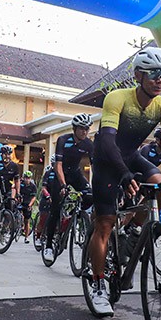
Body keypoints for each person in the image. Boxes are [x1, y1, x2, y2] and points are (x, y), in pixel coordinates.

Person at [86, 46, 161, 316]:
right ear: (139, 75)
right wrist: (123, 173)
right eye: (154, 74)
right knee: (104, 224)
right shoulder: (118, 98)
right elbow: (107, 142)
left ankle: (133, 230)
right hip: (106, 160)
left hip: (131, 156)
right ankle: (98, 285)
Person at [43, 113, 94, 264]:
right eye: (82, 128)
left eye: (87, 129)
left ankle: (72, 216)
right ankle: (49, 246)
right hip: (60, 173)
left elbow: (95, 166)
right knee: (55, 208)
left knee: (90, 195)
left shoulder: (88, 144)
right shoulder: (63, 140)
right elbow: (58, 165)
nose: (84, 131)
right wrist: (63, 184)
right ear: (74, 128)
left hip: (75, 174)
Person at [34, 156, 56, 248]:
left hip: (57, 198)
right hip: (46, 198)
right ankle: (38, 237)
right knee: (43, 218)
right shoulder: (48, 173)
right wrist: (47, 195)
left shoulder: (63, 173)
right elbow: (43, 188)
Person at [19, 170, 37, 243]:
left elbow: (34, 197)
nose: (27, 180)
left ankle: (26, 237)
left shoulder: (33, 186)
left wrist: (30, 204)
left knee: (27, 221)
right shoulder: (21, 184)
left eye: (29, 178)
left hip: (27, 203)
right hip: (20, 202)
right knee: (18, 213)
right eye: (26, 178)